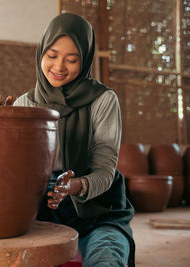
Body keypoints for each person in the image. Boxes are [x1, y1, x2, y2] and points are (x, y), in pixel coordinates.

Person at [11, 13, 136, 267]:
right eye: (52, 55)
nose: (59, 67)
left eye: (72, 59)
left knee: (106, 258)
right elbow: (8, 170)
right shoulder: (25, 104)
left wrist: (75, 186)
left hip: (97, 210)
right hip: (39, 212)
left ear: (86, 59)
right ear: (41, 53)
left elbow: (105, 171)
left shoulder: (103, 101)